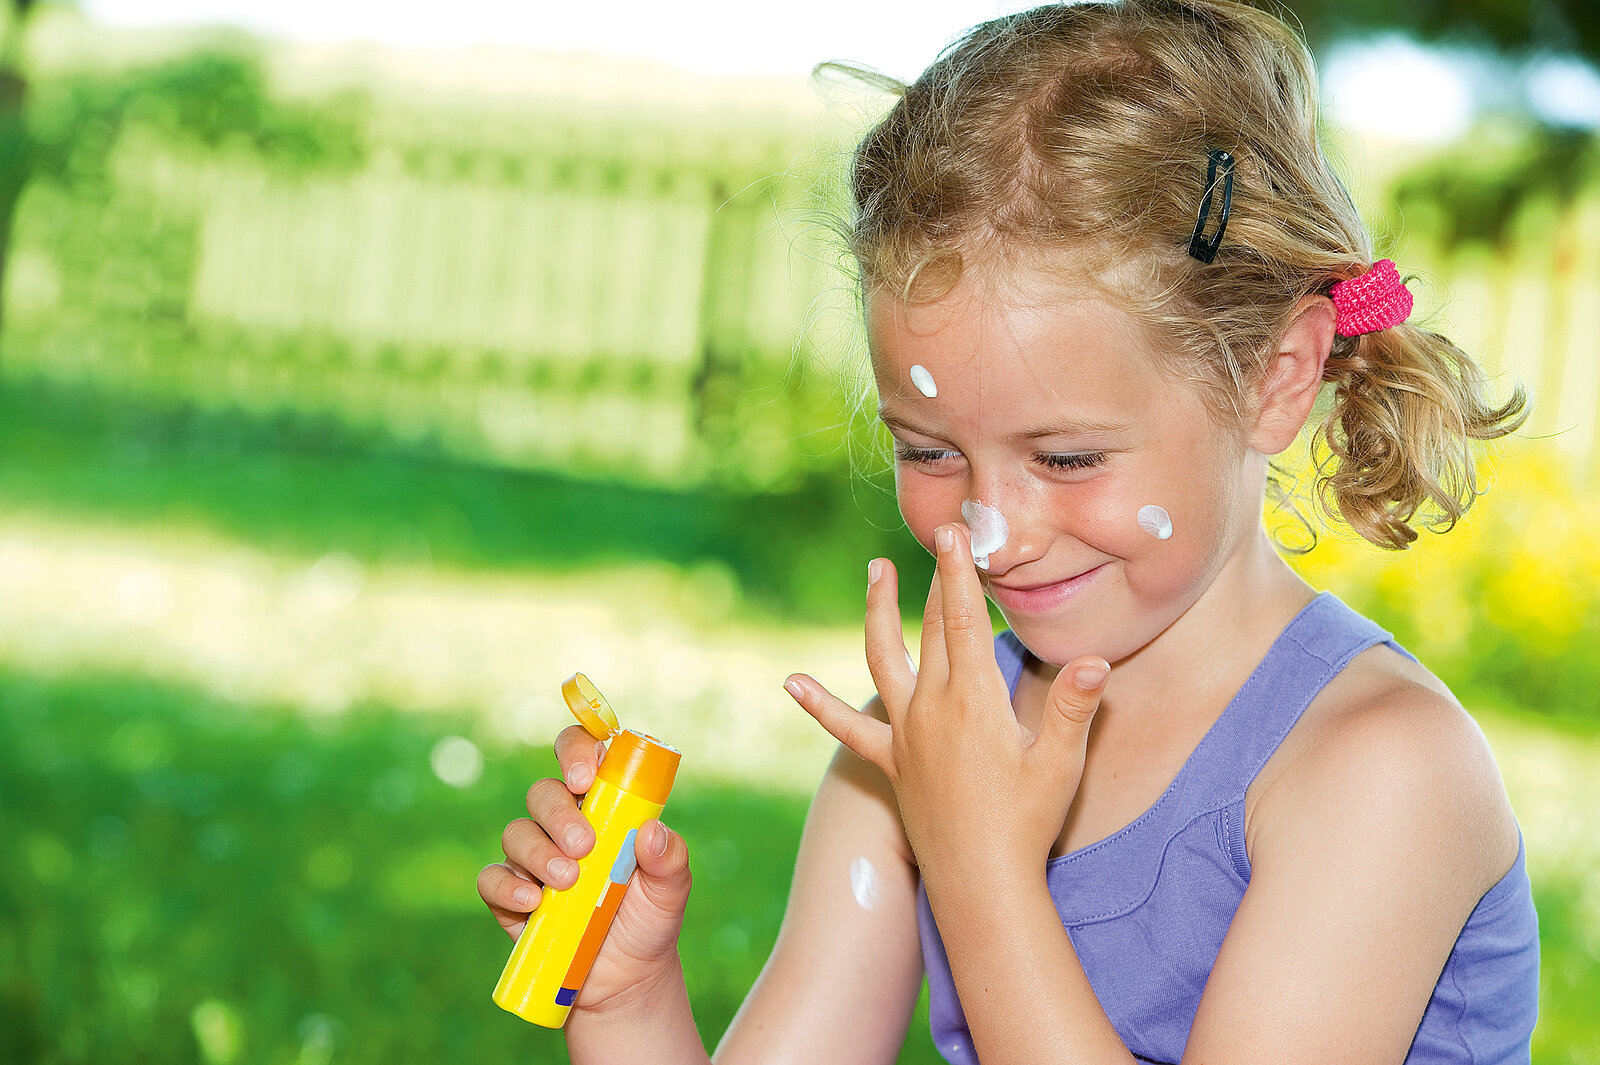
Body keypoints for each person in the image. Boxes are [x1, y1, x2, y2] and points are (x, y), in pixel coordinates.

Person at [477, 2, 1540, 1062]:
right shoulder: (917, 753)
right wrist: (624, 998)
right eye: (931, 452)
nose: (990, 532)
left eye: (1066, 458)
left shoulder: (1378, 771)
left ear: (1276, 377)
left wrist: (980, 864)